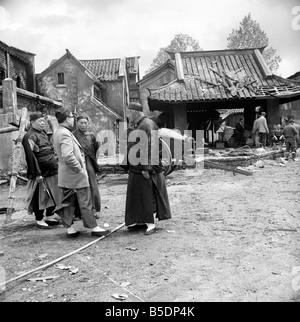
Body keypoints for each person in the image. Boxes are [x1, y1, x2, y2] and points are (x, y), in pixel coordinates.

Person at [52, 107, 110, 238]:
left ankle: (70, 229)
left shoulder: (58, 132)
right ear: (67, 119)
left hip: (65, 175)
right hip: (75, 175)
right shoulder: (65, 133)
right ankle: (94, 227)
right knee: (85, 201)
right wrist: (79, 168)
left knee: (67, 202)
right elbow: (67, 155)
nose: (73, 119)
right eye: (72, 117)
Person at [124, 102, 172, 235]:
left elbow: (151, 148)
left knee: (147, 195)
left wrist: (146, 168)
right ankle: (141, 221)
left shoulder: (147, 125)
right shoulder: (139, 125)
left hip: (145, 168)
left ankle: (150, 224)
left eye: (129, 113)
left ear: (134, 113)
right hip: (137, 167)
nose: (128, 116)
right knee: (138, 196)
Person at [22, 112, 61, 229]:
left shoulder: (42, 133)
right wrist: (37, 173)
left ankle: (49, 215)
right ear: (32, 123)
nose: (43, 123)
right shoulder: (29, 136)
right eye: (40, 121)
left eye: (43, 121)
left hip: (51, 170)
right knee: (40, 196)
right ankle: (39, 219)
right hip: (40, 172)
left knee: (53, 193)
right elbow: (30, 157)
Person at [73, 115, 101, 220]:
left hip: (89, 164)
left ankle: (92, 210)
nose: (84, 125)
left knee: (92, 187)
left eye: (85, 123)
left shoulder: (92, 136)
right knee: (78, 187)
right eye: (81, 123)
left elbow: (97, 150)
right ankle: (78, 212)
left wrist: (94, 163)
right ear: (77, 123)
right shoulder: (73, 135)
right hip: (78, 164)